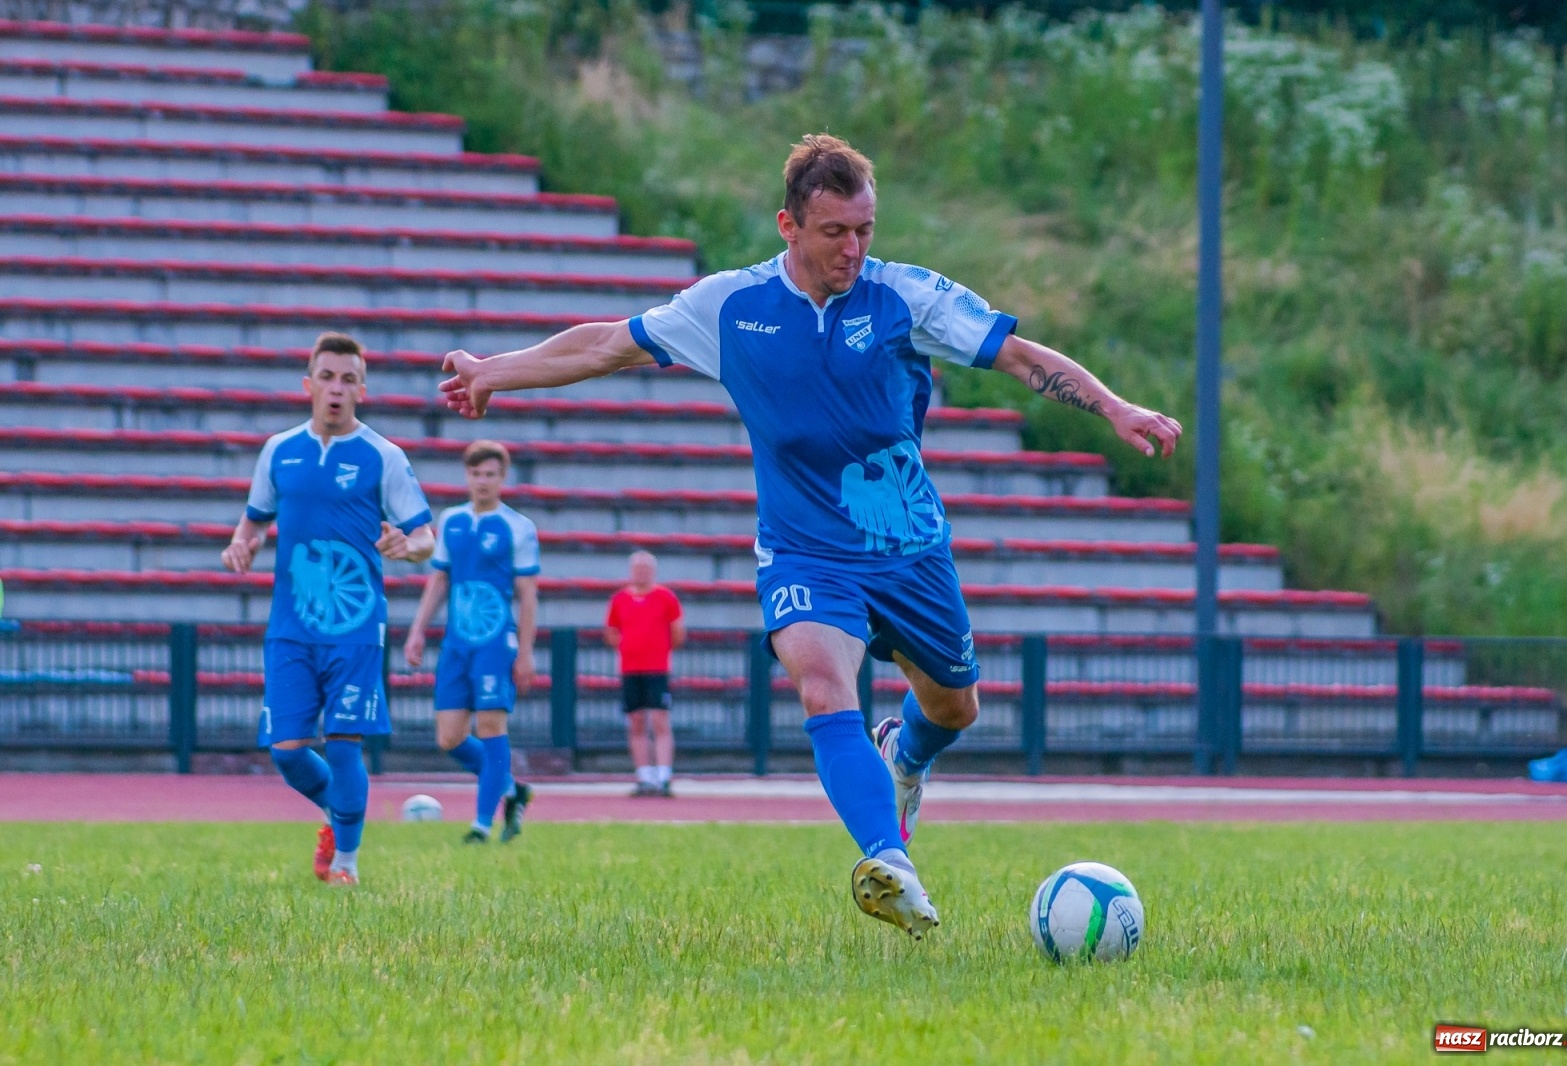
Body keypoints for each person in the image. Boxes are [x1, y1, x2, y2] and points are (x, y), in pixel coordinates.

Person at [438, 134, 1180, 938]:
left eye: (864, 229)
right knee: (823, 685)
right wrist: (492, 371)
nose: (854, 248)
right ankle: (887, 859)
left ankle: (905, 754)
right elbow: (607, 344)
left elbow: (1019, 356)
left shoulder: (905, 297)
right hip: (803, 549)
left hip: (907, 546)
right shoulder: (730, 307)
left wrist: (1112, 406)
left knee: (956, 705)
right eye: (835, 232)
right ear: (789, 226)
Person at [222, 331, 435, 887]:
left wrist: (405, 546)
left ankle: (346, 864)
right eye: (327, 377)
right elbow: (255, 519)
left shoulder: (383, 456)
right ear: (308, 384)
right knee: (288, 752)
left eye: (348, 379)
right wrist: (241, 544)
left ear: (361, 389)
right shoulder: (279, 450)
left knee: (344, 747)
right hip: (290, 626)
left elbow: (426, 539)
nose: (336, 388)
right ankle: (336, 818)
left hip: (355, 627)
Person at [403, 440, 539, 843]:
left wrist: (526, 652)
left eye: (491, 474)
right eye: (476, 474)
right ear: (467, 476)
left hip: (496, 643)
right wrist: (417, 630)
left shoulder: (518, 527)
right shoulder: (452, 521)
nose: (483, 481)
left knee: (492, 725)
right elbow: (440, 579)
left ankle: (481, 825)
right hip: (456, 643)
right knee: (449, 736)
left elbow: (528, 594)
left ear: (502, 478)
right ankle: (514, 790)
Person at [603, 551, 685, 797]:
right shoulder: (620, 600)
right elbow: (611, 631)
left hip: (657, 668)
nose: (641, 573)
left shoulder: (665, 598)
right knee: (636, 722)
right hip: (630, 668)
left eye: (645, 568)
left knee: (660, 720)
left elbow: (678, 632)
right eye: (637, 568)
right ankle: (644, 776)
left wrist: (657, 649)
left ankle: (663, 775)